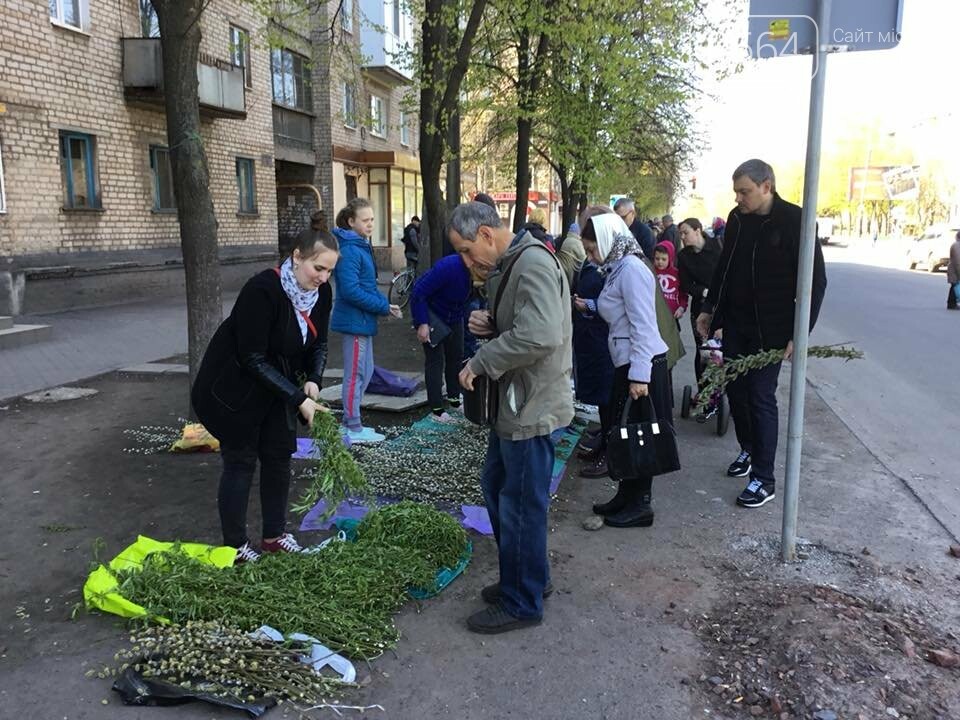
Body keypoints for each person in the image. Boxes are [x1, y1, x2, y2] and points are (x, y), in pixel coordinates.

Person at [450, 201, 572, 634]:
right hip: (518, 404)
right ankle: (528, 579)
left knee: (519, 504)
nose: (468, 262)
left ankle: (523, 602)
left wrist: (483, 359)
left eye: (466, 250)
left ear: (486, 234)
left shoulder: (532, 263)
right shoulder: (512, 263)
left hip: (531, 406)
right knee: (500, 489)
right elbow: (526, 326)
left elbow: (541, 335)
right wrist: (491, 323)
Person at [191, 212, 336, 563]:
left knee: (278, 457)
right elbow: (252, 358)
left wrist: (314, 379)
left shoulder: (322, 294)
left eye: (330, 270)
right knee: (241, 461)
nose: (323, 277)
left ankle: (274, 535)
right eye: (318, 268)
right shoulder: (262, 290)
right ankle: (235, 546)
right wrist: (298, 397)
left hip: (278, 387)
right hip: (236, 389)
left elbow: (318, 343)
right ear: (297, 257)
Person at [696, 159, 827, 509]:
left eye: (745, 191)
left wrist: (800, 332)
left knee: (759, 395)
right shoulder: (737, 220)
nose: (739, 198)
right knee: (736, 391)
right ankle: (748, 450)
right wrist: (710, 309)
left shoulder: (796, 220)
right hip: (737, 324)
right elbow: (725, 268)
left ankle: (763, 478)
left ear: (766, 186)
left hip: (772, 329)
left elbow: (815, 281)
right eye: (736, 192)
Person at [579, 213, 672, 529]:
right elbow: (617, 313)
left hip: (641, 366)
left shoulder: (631, 270)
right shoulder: (618, 267)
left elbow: (644, 327)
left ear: (606, 240)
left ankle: (640, 504)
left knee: (640, 435)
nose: (591, 257)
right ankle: (625, 495)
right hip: (628, 362)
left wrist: (639, 376)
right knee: (626, 431)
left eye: (592, 249)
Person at [331, 198, 403, 444]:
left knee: (366, 371)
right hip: (355, 322)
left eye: (372, 219)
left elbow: (366, 285)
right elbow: (350, 291)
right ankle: (352, 425)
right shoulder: (351, 249)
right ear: (351, 221)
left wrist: (385, 306)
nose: (371, 224)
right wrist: (383, 306)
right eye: (365, 220)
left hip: (361, 321)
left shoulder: (359, 245)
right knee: (356, 374)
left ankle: (351, 422)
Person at [572, 205, 618, 480]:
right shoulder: (598, 260)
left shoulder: (619, 265)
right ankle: (603, 444)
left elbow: (617, 305)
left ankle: (610, 455)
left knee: (609, 399)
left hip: (605, 341)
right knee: (602, 399)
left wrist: (588, 304)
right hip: (591, 336)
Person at [409, 253, 472, 419]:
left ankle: (454, 398)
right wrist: (422, 322)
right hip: (433, 319)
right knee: (435, 362)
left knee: (456, 357)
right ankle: (436, 408)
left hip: (455, 318)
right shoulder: (448, 267)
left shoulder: (477, 270)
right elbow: (418, 293)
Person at [677, 217, 721, 409]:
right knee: (703, 350)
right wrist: (703, 292)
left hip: (721, 307)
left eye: (686, 232)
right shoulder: (684, 256)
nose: (683, 237)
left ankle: (721, 389)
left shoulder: (719, 246)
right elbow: (685, 284)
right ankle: (703, 391)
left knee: (720, 349)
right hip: (700, 307)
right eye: (681, 234)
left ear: (698, 230)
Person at [653, 241, 687, 321]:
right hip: (654, 315)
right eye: (657, 258)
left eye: (664, 259)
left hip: (672, 316)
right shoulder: (650, 272)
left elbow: (683, 294)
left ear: (670, 258)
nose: (660, 262)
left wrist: (681, 308)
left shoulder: (677, 274)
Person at [947, 230, 960, 310]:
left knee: (954, 286)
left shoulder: (956, 245)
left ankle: (951, 303)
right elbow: (958, 261)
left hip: (954, 269)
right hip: (955, 270)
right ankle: (951, 304)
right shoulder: (957, 246)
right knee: (955, 286)